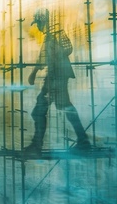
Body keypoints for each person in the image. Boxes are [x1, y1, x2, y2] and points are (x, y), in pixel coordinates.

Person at [25, 9, 91, 153]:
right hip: (56, 75)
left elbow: (67, 49)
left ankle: (37, 146)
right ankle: (83, 140)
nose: (37, 27)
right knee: (64, 107)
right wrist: (35, 72)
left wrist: (37, 71)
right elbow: (44, 57)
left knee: (40, 110)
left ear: (43, 21)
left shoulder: (55, 35)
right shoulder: (50, 37)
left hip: (57, 75)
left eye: (38, 23)